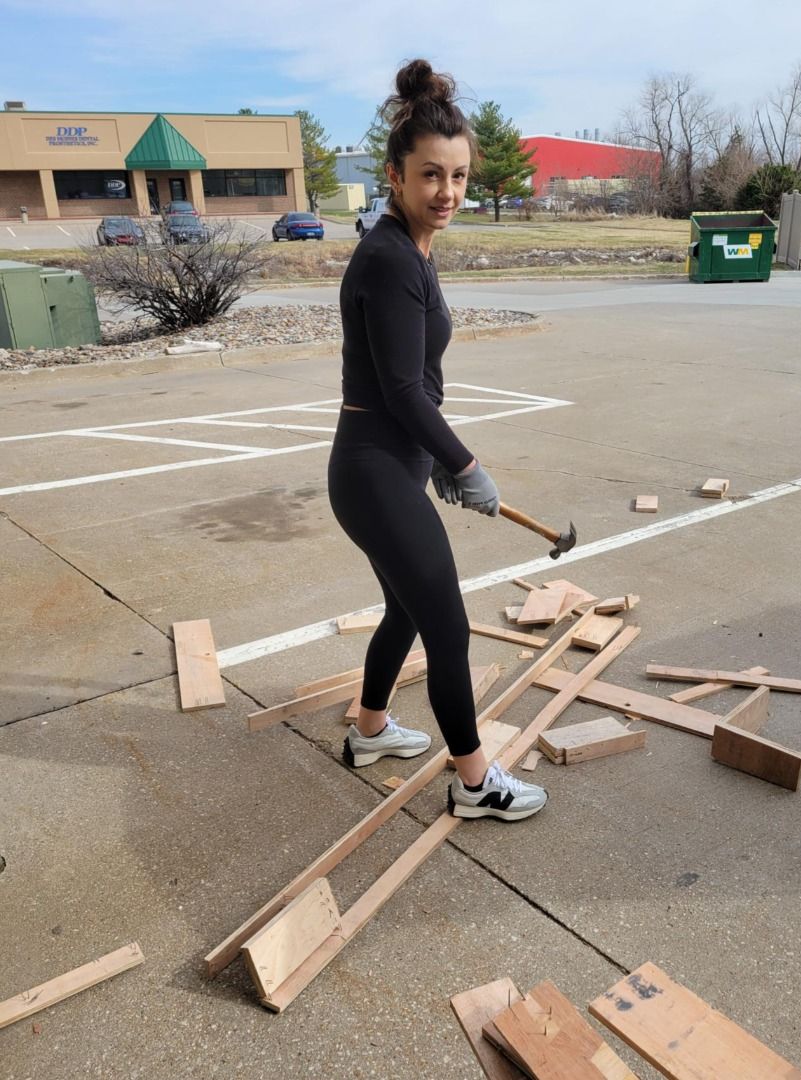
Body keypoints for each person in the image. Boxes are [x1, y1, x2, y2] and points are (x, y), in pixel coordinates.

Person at [329, 57, 545, 822]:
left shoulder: (414, 246)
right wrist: (465, 463)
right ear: (394, 175)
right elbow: (402, 392)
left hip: (391, 465)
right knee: (447, 627)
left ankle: (370, 730)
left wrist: (439, 461)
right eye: (430, 176)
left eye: (457, 176)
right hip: (375, 472)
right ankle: (476, 781)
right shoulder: (390, 259)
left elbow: (408, 381)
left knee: (407, 611)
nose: (447, 193)